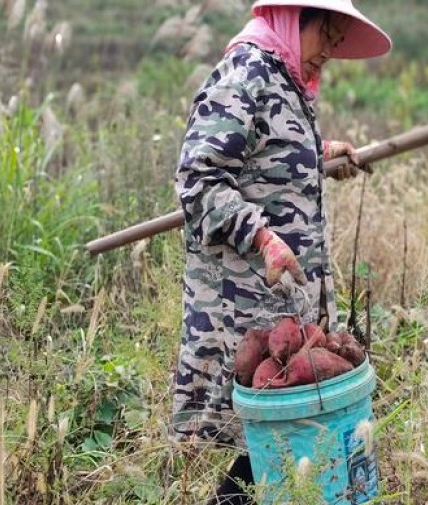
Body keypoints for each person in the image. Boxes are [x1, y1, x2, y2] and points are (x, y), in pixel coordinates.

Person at [171, 1, 391, 503]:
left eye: (337, 41)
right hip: (243, 305)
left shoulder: (282, 77)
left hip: (280, 307)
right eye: (327, 35)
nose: (330, 52)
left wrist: (320, 152)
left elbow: (263, 148)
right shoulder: (246, 71)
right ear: (294, 19)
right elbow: (199, 177)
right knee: (263, 440)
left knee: (279, 444)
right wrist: (263, 238)